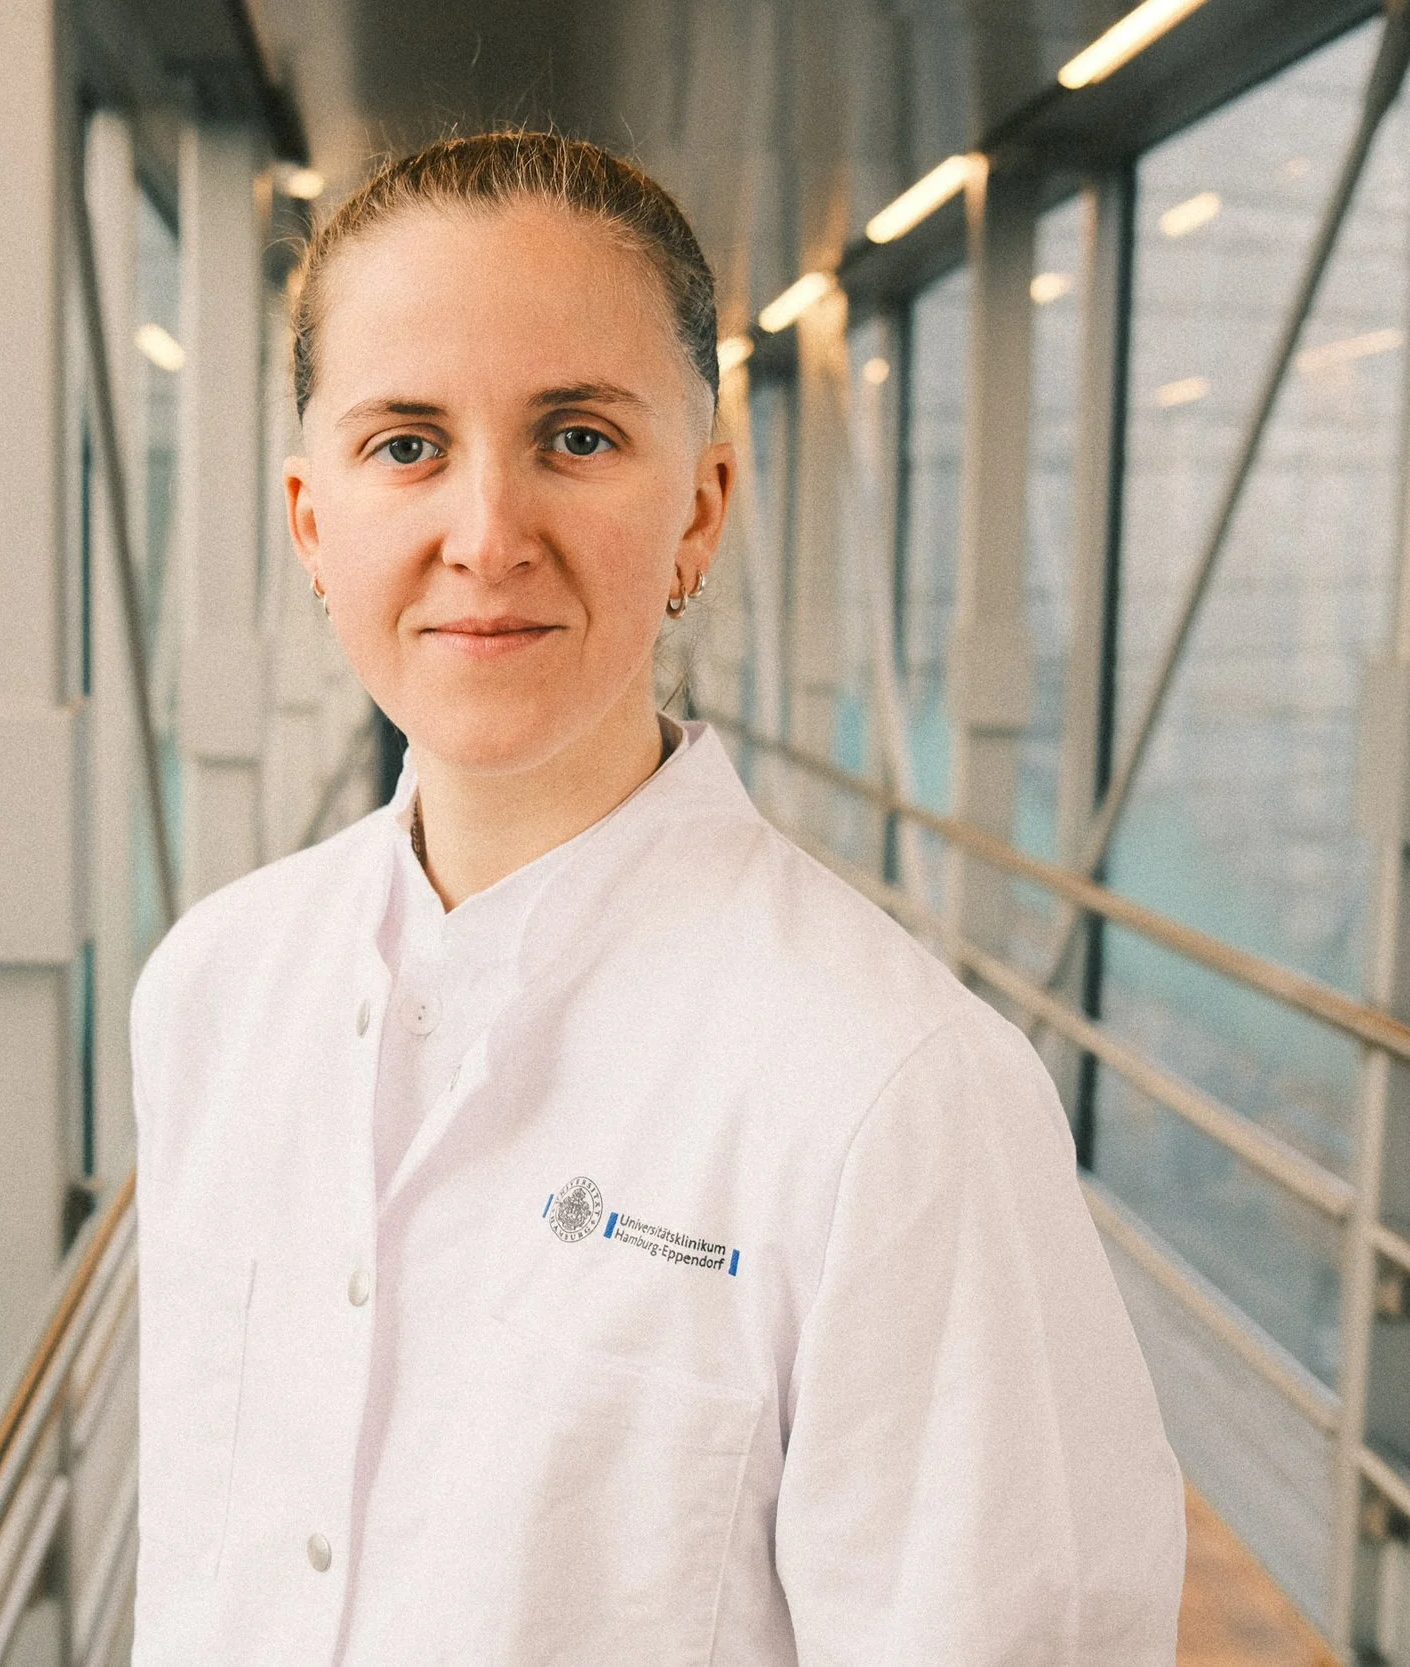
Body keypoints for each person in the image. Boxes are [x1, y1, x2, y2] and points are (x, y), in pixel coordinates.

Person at [128, 130, 1183, 1665]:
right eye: (407, 445)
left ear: (698, 510)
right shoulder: (212, 992)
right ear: (310, 520)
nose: (486, 535)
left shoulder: (897, 1098)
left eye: (575, 438)